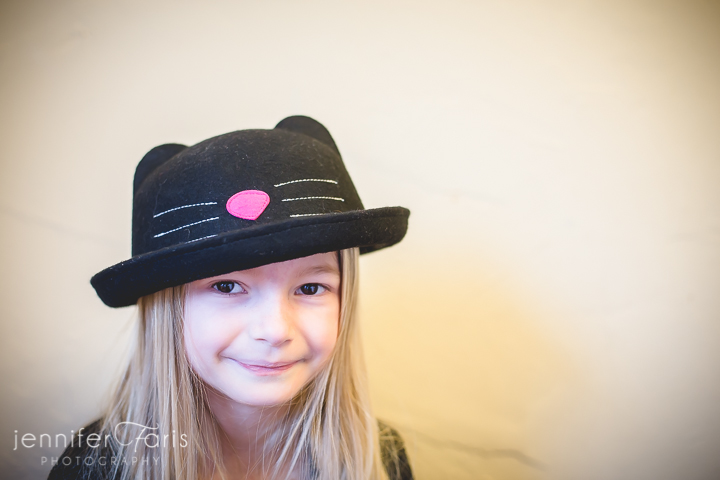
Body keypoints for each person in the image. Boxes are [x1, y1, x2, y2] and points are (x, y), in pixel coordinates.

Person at [47, 116, 412, 480]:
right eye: (226, 286)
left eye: (310, 288)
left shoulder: (379, 461)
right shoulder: (95, 466)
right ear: (167, 308)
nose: (275, 331)